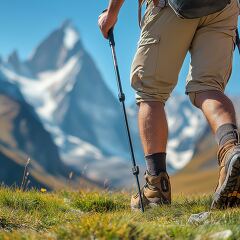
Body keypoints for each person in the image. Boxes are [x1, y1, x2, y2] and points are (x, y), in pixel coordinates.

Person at [98, 0, 240, 210]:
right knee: (208, 86)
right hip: (224, 6)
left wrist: (111, 14)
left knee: (150, 91)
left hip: (171, 6)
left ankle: (156, 188)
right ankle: (230, 152)